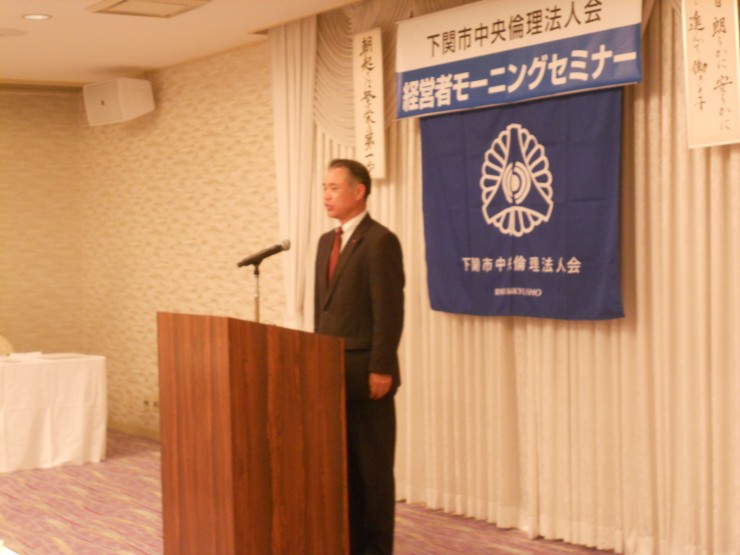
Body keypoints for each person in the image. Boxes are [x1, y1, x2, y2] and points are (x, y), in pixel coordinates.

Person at [314, 159, 405, 554]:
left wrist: (381, 367)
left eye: (334, 187)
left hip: (368, 375)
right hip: (331, 372)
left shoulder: (380, 241)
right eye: (324, 187)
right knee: (343, 468)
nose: (326, 195)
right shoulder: (325, 242)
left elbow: (389, 312)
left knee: (373, 471)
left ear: (359, 191)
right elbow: (323, 311)